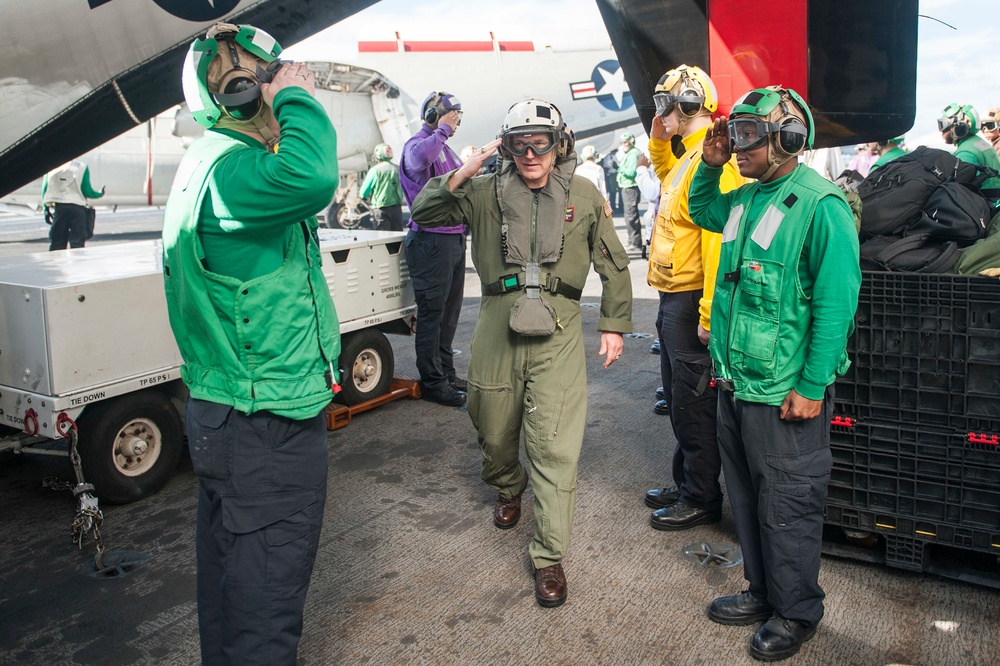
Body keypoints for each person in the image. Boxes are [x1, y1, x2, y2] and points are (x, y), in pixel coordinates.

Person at [161, 23, 340, 665]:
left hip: (232, 412)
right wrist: (297, 98)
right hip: (266, 426)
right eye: (263, 81)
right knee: (265, 617)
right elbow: (313, 176)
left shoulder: (211, 162)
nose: (276, 90)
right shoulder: (234, 172)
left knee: (233, 599)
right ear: (239, 92)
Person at [411, 99, 633, 609]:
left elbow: (615, 265)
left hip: (559, 328)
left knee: (555, 444)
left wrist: (615, 324)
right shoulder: (485, 190)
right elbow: (426, 212)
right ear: (505, 147)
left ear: (560, 143)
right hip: (497, 323)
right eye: (518, 143)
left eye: (542, 142)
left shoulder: (584, 193)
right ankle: (507, 485)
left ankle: (549, 556)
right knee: (491, 424)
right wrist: (468, 165)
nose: (531, 154)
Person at [690, 86, 861, 661]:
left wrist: (812, 386)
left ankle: (796, 611)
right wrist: (708, 169)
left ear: (788, 138)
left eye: (745, 136)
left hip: (784, 393)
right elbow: (702, 210)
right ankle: (763, 593)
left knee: (788, 505)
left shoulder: (821, 205)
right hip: (737, 385)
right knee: (747, 499)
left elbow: (837, 307)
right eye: (732, 135)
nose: (735, 147)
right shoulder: (744, 198)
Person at [642, 65, 746, 531]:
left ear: (681, 103)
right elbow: (666, 171)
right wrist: (659, 137)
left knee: (693, 402)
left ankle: (702, 496)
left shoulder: (715, 165)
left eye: (664, 103)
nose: (660, 110)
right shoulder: (690, 158)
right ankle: (688, 481)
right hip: (673, 300)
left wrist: (708, 314)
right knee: (680, 398)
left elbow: (717, 244)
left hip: (689, 303)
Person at [399, 91, 468, 407]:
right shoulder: (419, 144)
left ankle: (446, 374)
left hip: (452, 240)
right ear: (433, 115)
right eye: (451, 114)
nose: (455, 121)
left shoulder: (446, 148)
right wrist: (439, 129)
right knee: (433, 315)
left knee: (449, 315)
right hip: (431, 241)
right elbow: (420, 161)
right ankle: (433, 382)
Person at [939, 103, 1000, 206]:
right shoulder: (980, 143)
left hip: (983, 210)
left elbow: (956, 192)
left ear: (959, 127)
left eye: (944, 126)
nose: (942, 132)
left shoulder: (966, 153)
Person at [41, 159, 104, 250]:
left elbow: (45, 190)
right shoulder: (82, 166)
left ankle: (56, 263)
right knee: (77, 243)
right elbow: (87, 191)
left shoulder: (51, 167)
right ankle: (77, 263)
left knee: (57, 243)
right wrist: (100, 193)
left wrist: (45, 209)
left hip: (60, 208)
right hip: (78, 208)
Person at [359, 143, 404, 231]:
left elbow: (363, 192)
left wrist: (363, 197)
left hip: (381, 209)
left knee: (383, 235)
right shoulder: (398, 169)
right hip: (397, 209)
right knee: (397, 235)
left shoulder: (374, 170)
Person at [616, 132, 643, 248]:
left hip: (630, 188)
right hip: (627, 188)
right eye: (622, 143)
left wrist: (620, 169)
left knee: (631, 216)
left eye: (626, 142)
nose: (624, 145)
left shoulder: (632, 154)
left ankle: (635, 242)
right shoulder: (631, 153)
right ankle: (632, 241)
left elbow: (631, 172)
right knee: (629, 215)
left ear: (631, 142)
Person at [601, 148, 621, 213]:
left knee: (614, 191)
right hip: (610, 175)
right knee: (612, 191)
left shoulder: (614, 156)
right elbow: (606, 164)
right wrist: (612, 165)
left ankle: (614, 205)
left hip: (614, 174)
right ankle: (612, 206)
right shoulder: (608, 156)